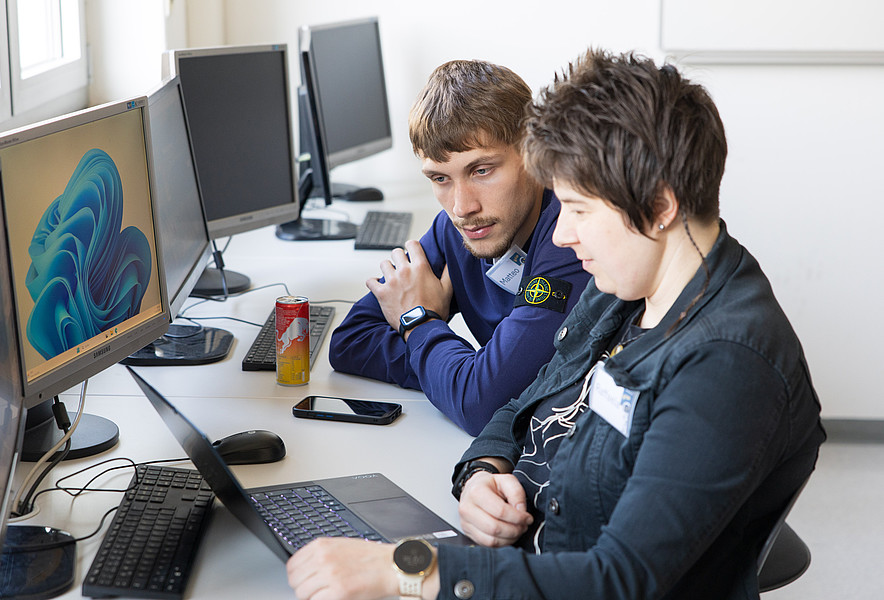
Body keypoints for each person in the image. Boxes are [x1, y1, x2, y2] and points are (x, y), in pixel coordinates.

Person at [287, 48, 826, 599]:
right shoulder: (625, 291)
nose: (562, 236)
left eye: (578, 209)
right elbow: (522, 402)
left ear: (659, 206)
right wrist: (482, 471)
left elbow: (619, 583)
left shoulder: (726, 365)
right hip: (513, 561)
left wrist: (409, 571)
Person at [327, 60, 592, 436]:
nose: (462, 207)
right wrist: (460, 375)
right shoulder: (459, 229)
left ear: (533, 152)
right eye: (440, 178)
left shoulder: (573, 239)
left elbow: (481, 404)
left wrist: (420, 324)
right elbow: (350, 342)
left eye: (482, 170)